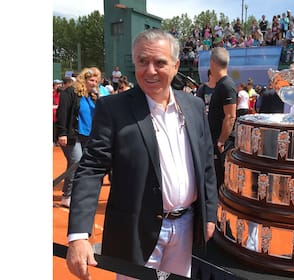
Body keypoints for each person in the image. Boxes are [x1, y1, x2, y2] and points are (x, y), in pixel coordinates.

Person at [65, 29, 218, 279]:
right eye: (142, 62)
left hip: (187, 228)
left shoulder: (194, 105)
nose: (150, 71)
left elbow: (206, 166)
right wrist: (79, 235)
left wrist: (209, 214)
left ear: (176, 64)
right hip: (136, 232)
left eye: (160, 63)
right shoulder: (113, 108)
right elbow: (91, 168)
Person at [55, 68, 99, 208]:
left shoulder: (91, 96)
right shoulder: (70, 92)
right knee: (76, 161)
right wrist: (62, 133)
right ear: (83, 80)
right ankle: (67, 196)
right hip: (72, 134)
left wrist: (99, 99)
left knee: (84, 165)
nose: (94, 83)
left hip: (88, 135)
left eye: (96, 81)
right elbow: (62, 113)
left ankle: (78, 194)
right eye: (91, 80)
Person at [207, 47, 237, 190]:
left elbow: (230, 116)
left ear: (212, 62)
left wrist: (221, 141)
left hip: (222, 145)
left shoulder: (226, 85)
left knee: (221, 182)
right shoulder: (222, 85)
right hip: (217, 141)